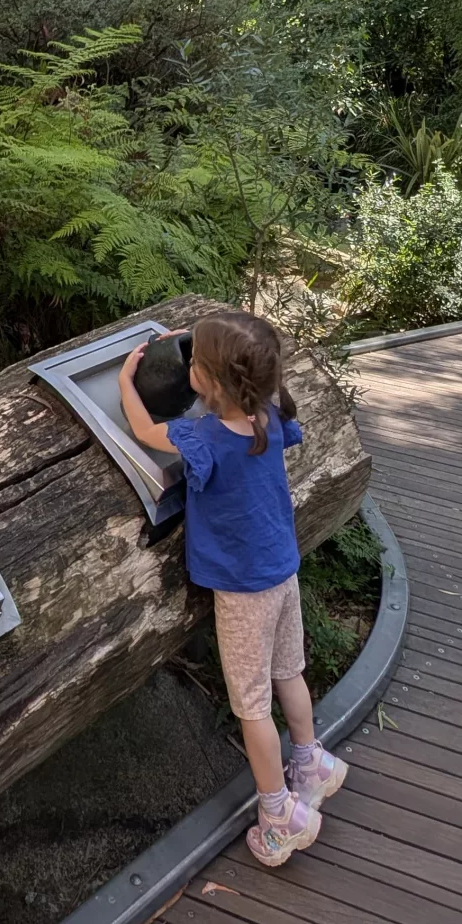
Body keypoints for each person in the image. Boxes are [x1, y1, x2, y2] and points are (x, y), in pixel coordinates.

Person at [118, 309, 347, 867]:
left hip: (244, 592)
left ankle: (279, 815)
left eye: (194, 361)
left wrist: (128, 380)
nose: (188, 364)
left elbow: (145, 432)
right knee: (287, 670)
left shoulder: (204, 436)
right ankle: (312, 760)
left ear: (211, 383)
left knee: (251, 706)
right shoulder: (268, 412)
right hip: (281, 572)